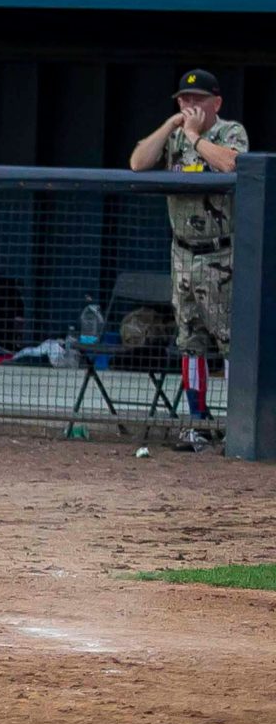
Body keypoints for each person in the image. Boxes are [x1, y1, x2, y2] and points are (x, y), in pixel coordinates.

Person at [129, 69, 248, 452]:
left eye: (197, 100)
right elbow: (138, 163)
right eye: (184, 99)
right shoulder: (174, 133)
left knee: (230, 342)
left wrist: (196, 139)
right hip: (182, 251)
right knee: (189, 341)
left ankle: (237, 425)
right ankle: (195, 424)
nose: (190, 106)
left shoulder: (230, 132)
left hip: (221, 254)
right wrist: (170, 125)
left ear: (216, 103)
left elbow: (233, 165)